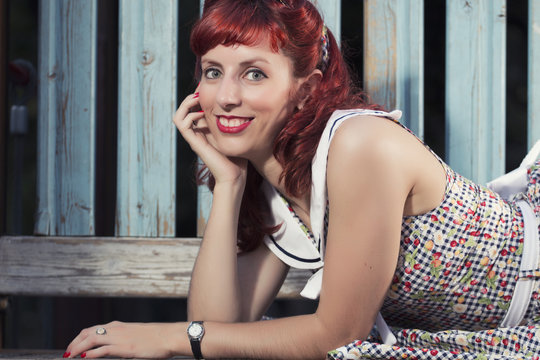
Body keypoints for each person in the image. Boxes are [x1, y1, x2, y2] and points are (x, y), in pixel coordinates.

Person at [65, 0, 540, 359]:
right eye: (213, 71)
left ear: (305, 89)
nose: (226, 96)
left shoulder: (359, 146)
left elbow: (338, 336)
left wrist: (163, 336)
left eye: (254, 74)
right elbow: (216, 326)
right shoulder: (280, 182)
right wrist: (229, 185)